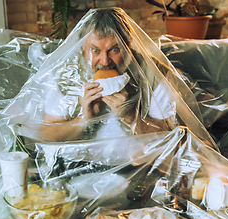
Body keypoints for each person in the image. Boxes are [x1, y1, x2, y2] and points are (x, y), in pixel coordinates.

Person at [41, 8, 176, 142]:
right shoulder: (64, 73)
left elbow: (169, 134)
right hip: (80, 160)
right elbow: (47, 134)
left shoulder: (153, 72)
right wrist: (83, 119)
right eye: (95, 50)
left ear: (128, 46)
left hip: (138, 161)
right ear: (82, 46)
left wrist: (129, 115)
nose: (105, 61)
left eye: (114, 49)